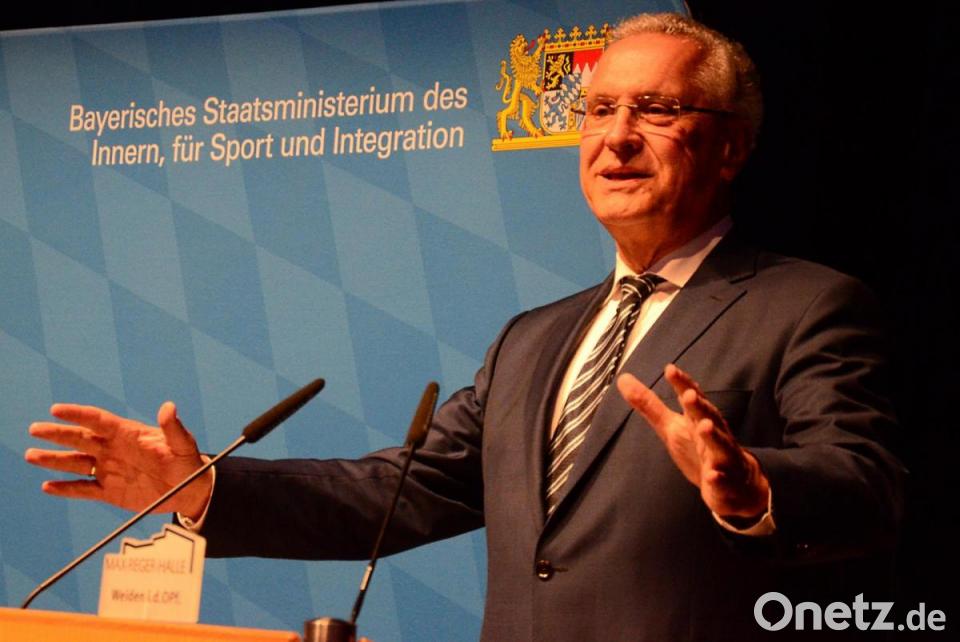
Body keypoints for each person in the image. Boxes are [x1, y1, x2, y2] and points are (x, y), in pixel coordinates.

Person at [25, 13, 905, 641]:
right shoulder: (534, 339)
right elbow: (398, 492)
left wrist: (753, 489)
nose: (617, 137)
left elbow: (863, 482)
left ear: (732, 146)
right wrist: (202, 491)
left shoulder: (805, 305)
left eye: (657, 110)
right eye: (600, 110)